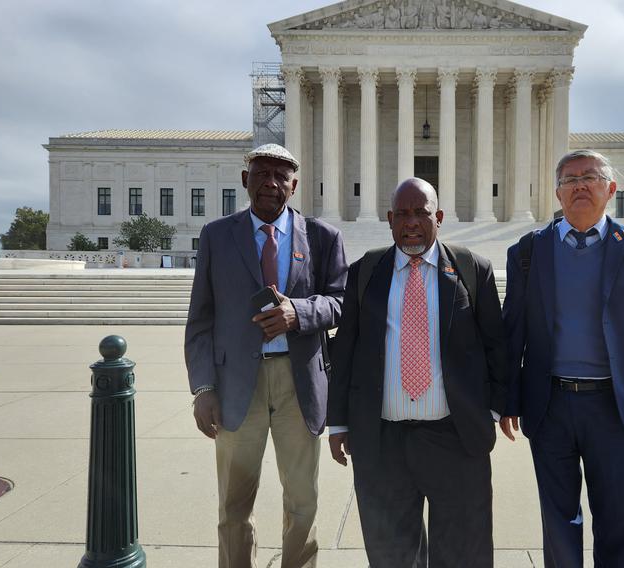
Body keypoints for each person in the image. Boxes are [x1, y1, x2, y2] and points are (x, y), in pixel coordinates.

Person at [501, 150, 624, 567]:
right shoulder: (528, 252)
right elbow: (514, 332)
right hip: (550, 405)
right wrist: (507, 399)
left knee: (616, 521)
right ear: (557, 192)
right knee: (559, 522)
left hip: (615, 408)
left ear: (610, 189)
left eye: (590, 177)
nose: (580, 185)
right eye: (570, 179)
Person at [327, 178, 507, 568]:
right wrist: (338, 422)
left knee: (462, 553)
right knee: (392, 555)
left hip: (455, 439)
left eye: (421, 213)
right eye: (403, 214)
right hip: (382, 443)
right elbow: (346, 350)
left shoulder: (472, 269)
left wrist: (491, 412)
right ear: (390, 219)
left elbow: (496, 345)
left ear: (439, 217)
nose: (412, 223)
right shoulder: (365, 273)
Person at [184, 143, 348, 568]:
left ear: (294, 186)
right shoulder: (217, 236)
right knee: (233, 508)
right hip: (238, 386)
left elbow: (340, 302)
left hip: (299, 385)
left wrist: (299, 312)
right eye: (261, 174)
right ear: (245, 180)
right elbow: (201, 318)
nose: (270, 184)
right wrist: (203, 387)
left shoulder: (323, 237)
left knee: (302, 504)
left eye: (281, 176)